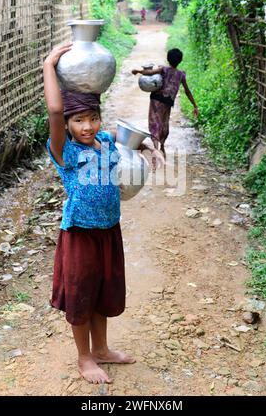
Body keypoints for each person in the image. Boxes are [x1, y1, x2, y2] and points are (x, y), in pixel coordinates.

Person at [43, 43, 163, 384]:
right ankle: (84, 358)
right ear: (66, 125)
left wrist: (146, 146)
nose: (87, 126)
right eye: (78, 120)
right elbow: (54, 111)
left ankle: (102, 349)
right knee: (81, 295)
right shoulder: (63, 151)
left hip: (109, 230)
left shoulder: (105, 142)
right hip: (79, 232)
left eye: (93, 117)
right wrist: (49, 64)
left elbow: (124, 138)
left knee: (103, 290)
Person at [132, 48, 199, 156]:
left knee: (154, 123)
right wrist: (195, 105)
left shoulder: (163, 69)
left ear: (168, 59)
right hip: (168, 102)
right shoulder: (181, 74)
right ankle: (162, 146)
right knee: (164, 124)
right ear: (180, 61)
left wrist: (138, 71)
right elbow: (187, 91)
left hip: (156, 100)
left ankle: (156, 148)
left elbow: (149, 72)